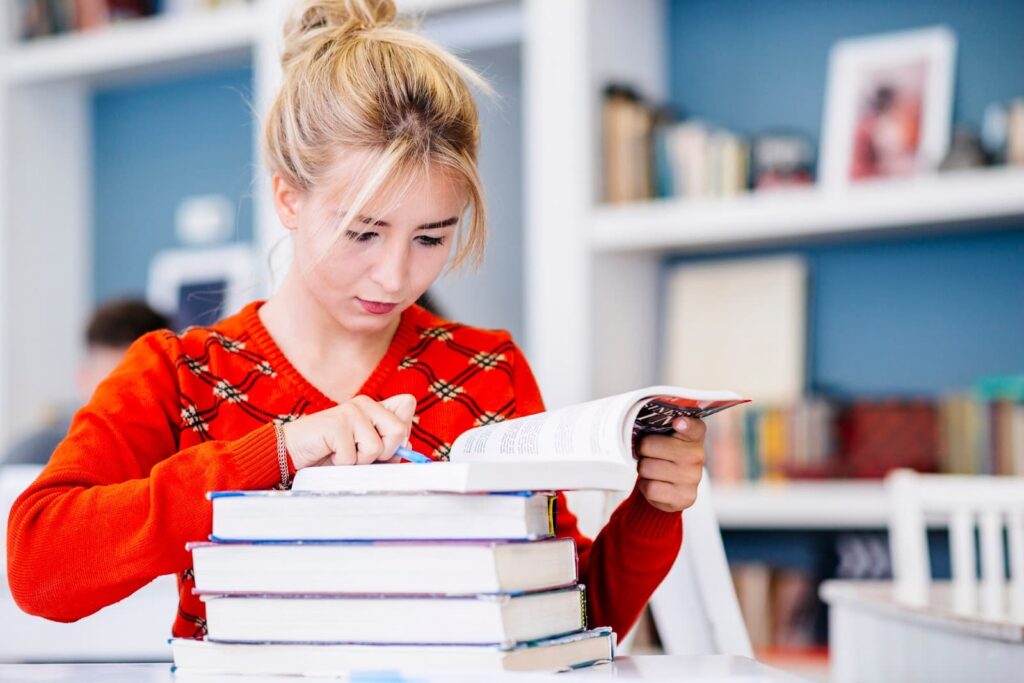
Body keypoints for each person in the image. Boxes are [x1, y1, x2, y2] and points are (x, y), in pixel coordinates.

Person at [8, 0, 707, 641]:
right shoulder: (181, 375)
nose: (397, 277)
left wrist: (652, 508)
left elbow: (569, 619)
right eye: (362, 232)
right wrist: (274, 452)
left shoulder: (487, 371)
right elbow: (39, 566)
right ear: (288, 197)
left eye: (431, 237)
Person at [2, 297, 170, 466]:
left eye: (143, 386)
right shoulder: (33, 455)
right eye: (112, 385)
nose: (128, 401)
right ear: (83, 378)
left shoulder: (183, 458)